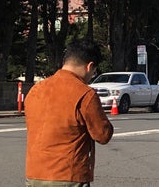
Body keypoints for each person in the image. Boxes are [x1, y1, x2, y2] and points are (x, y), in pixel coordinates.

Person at [25, 39, 114, 187]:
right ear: (89, 66)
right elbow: (103, 135)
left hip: (35, 173)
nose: (92, 75)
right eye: (94, 71)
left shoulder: (36, 89)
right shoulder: (85, 94)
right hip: (68, 175)